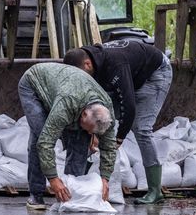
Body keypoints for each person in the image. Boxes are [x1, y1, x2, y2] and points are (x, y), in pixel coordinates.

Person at [64, 40, 172, 204]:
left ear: (87, 64)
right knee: (96, 116)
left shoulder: (115, 65)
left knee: (141, 129)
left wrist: (118, 140)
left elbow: (128, 108)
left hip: (154, 75)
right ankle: (82, 179)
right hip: (133, 73)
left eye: (81, 74)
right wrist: (94, 132)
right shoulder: (94, 62)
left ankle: (155, 191)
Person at [18, 63, 117, 210]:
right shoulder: (67, 104)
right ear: (84, 114)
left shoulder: (106, 113)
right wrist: (53, 179)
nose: (91, 134)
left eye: (93, 132)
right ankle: (36, 194)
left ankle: (71, 195)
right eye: (90, 129)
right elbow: (45, 143)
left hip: (66, 90)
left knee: (81, 140)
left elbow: (109, 147)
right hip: (34, 85)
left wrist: (105, 178)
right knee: (40, 136)